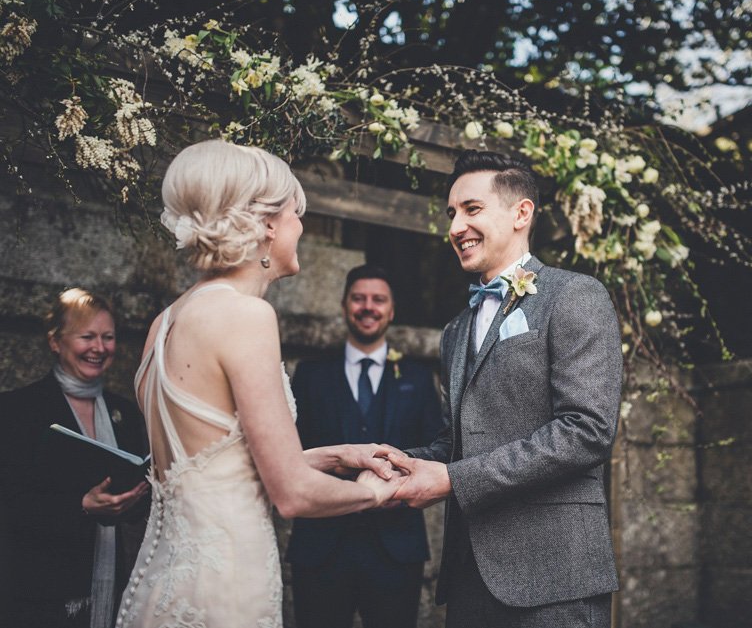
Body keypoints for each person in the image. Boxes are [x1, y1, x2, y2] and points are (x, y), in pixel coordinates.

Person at [116, 140, 403, 628]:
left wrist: (338, 456)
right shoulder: (246, 315)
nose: (301, 226)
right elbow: (290, 492)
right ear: (267, 224)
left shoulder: (165, 321)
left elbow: (220, 467)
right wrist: (375, 494)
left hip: (162, 580)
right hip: (225, 582)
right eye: (296, 213)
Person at [388, 150, 623, 627]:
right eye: (451, 213)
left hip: (555, 579)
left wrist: (454, 480)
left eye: (471, 209)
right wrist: (393, 462)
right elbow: (457, 442)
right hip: (469, 578)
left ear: (521, 213)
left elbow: (586, 431)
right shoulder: (455, 330)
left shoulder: (575, 295)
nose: (455, 227)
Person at [287, 264, 444, 628]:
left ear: (391, 310)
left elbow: (438, 447)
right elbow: (291, 449)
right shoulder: (310, 374)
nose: (368, 307)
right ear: (344, 306)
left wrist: (397, 474)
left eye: (378, 300)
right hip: (320, 547)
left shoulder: (419, 378)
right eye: (359, 298)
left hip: (396, 549)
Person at [0, 288, 150, 628]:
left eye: (108, 337)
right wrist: (82, 506)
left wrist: (139, 497)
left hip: (112, 589)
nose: (99, 348)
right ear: (56, 342)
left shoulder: (122, 412)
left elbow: (135, 496)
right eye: (87, 337)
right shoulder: (18, 409)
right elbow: (9, 504)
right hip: (41, 594)